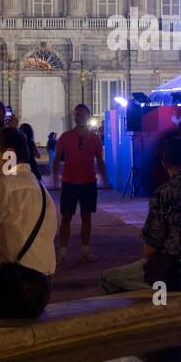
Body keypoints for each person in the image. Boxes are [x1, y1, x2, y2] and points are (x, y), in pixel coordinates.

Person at [99, 135, 181, 293]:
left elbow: (150, 249)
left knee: (109, 277)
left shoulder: (163, 194)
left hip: (179, 277)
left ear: (164, 163)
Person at [0, 128, 57, 319]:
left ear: (9, 155)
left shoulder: (5, 185)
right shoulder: (39, 187)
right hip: (41, 289)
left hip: (14, 289)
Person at [52, 103, 110, 263]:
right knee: (66, 218)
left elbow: (100, 160)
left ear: (88, 117)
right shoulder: (65, 137)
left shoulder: (95, 139)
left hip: (89, 182)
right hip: (69, 182)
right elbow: (57, 157)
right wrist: (55, 176)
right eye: (77, 114)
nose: (79, 117)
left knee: (87, 217)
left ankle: (85, 250)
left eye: (83, 114)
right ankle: (62, 253)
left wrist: (104, 178)